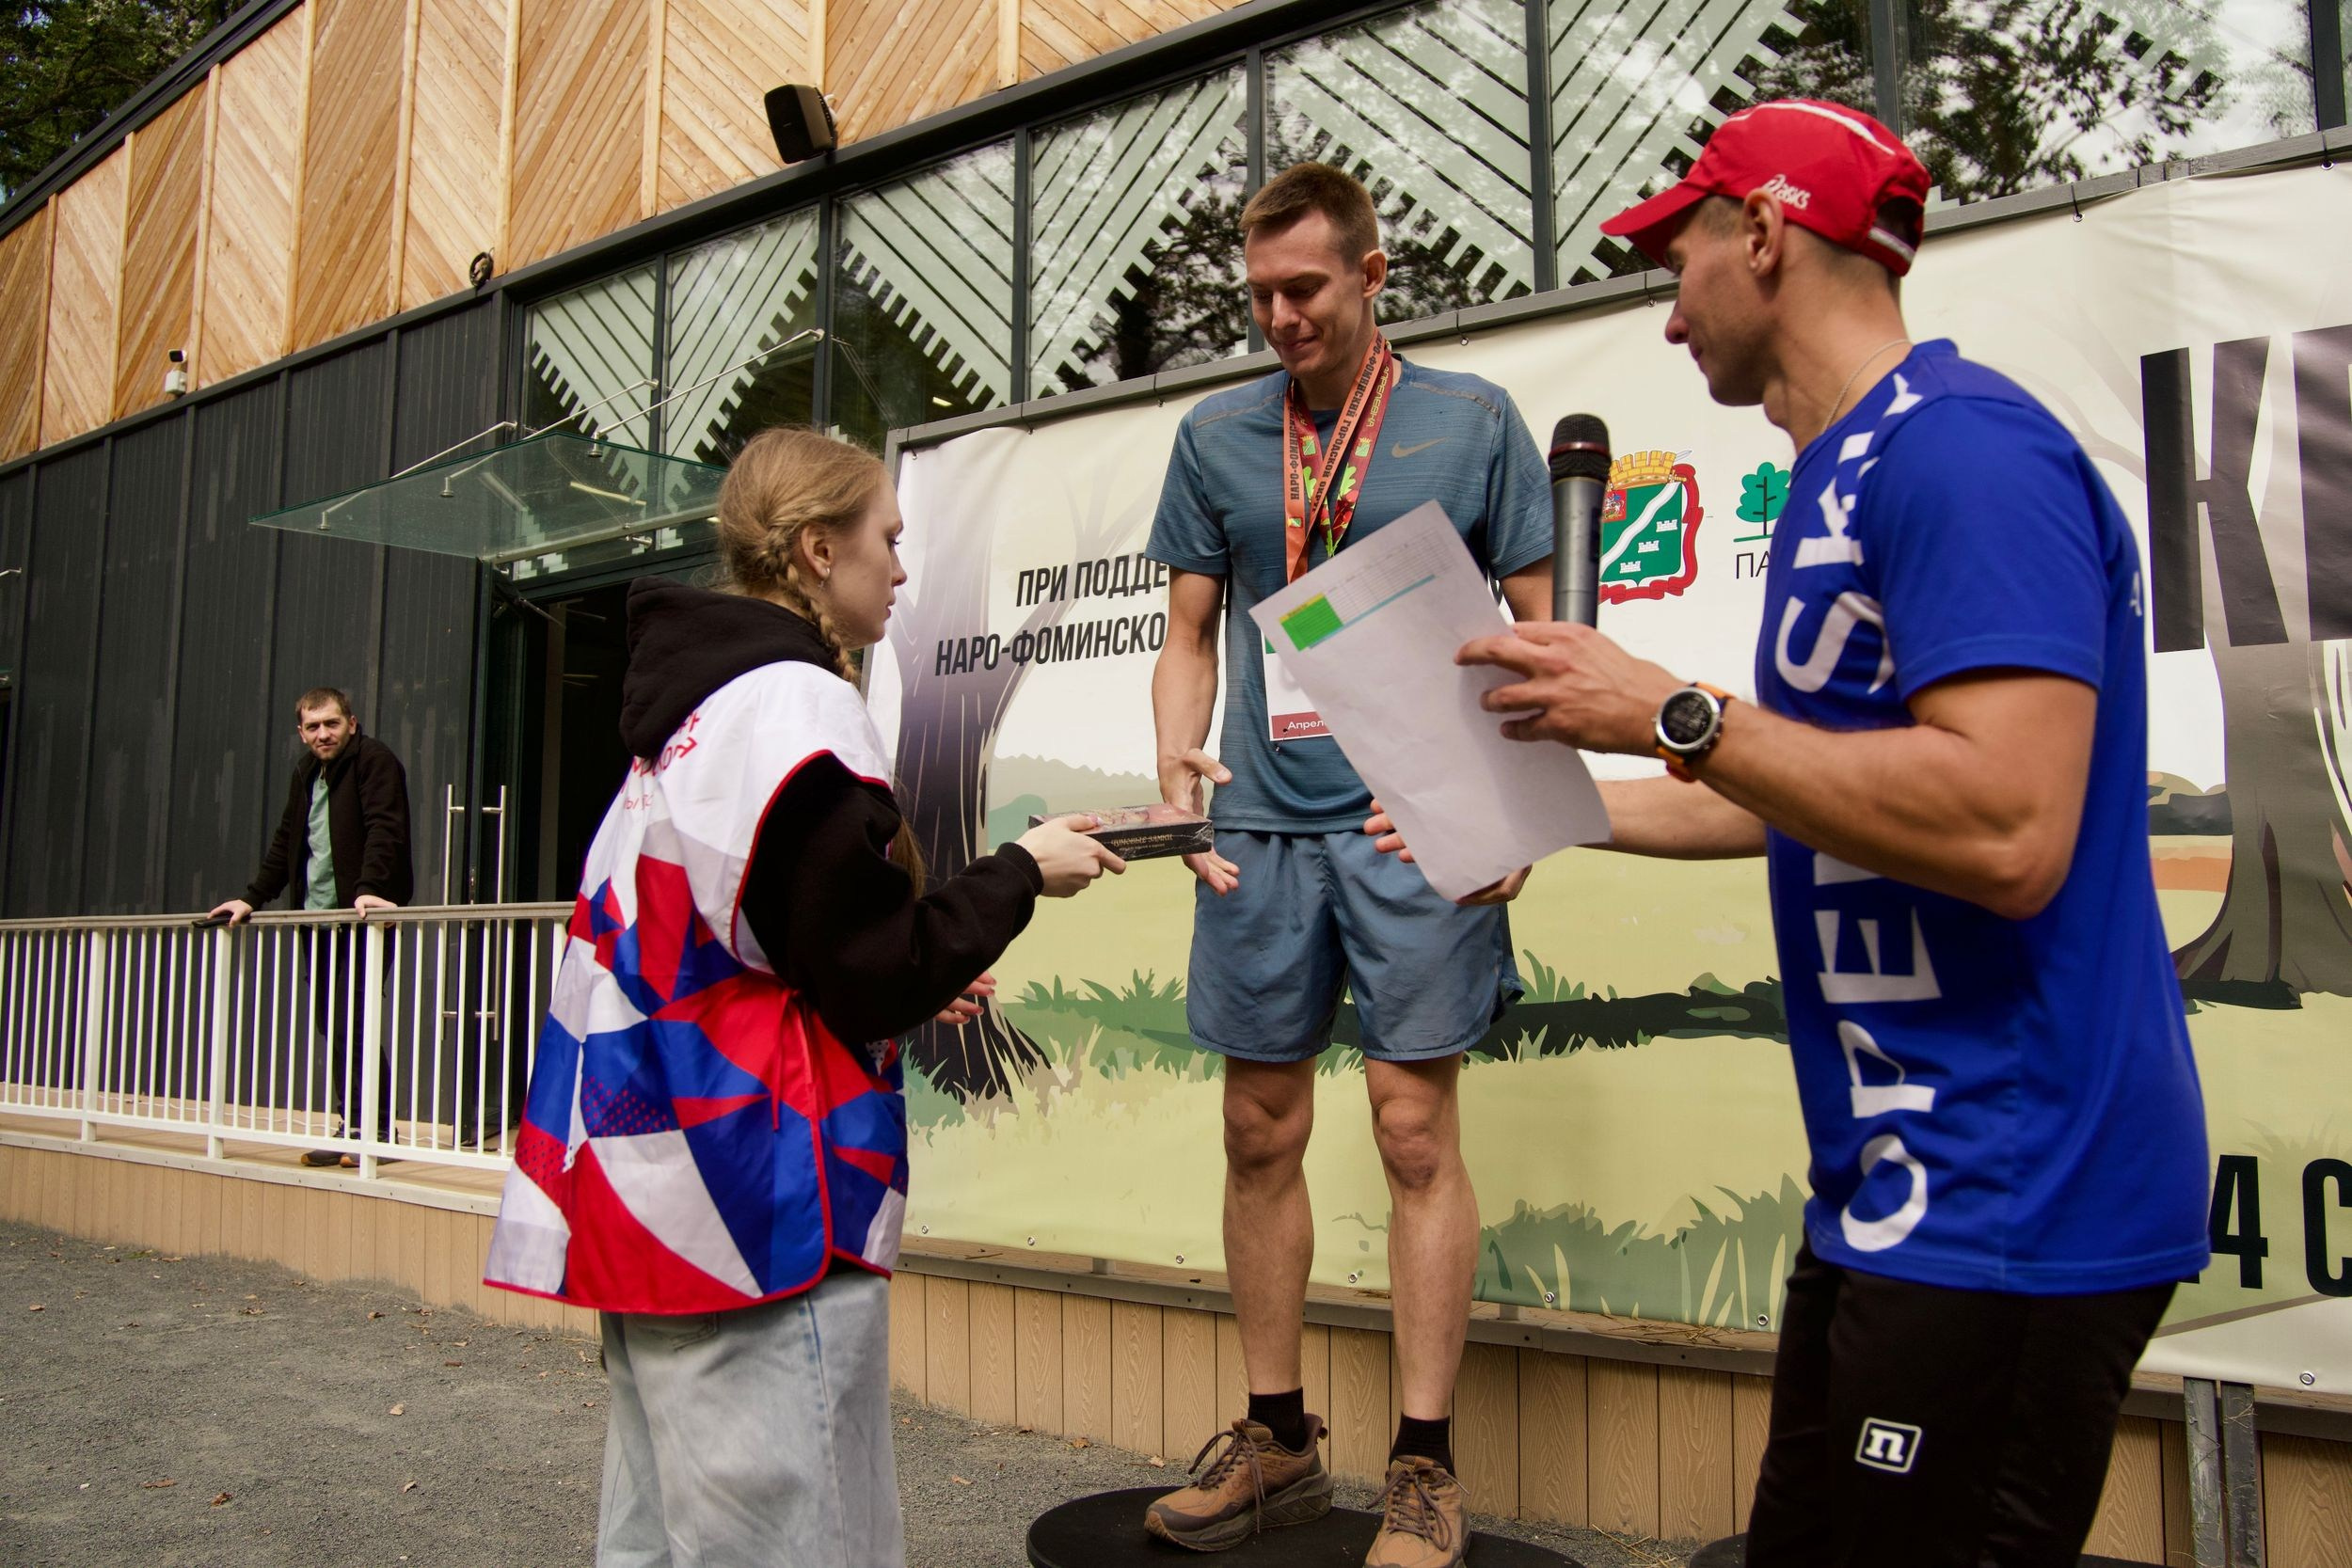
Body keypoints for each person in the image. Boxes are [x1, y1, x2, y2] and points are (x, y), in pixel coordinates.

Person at [1372, 100, 2209, 1566]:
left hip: (2013, 1195)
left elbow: (2012, 826)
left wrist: (1677, 712)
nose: (1668, 300)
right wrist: (1562, 823)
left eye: (1677, 250)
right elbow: (1819, 792)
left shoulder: (1962, 454)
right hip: (1890, 1189)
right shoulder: (1844, 468)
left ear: (1763, 233)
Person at [483, 427, 1122, 1568]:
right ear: (818, 551)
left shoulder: (692, 719)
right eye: (888, 537)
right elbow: (867, 966)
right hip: (753, 1204)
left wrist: (917, 962)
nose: (903, 567)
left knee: (656, 1536)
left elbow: (785, 947)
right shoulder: (793, 708)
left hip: (648, 1185)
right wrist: (1025, 868)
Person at [1143, 162, 1554, 1568]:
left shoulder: (1470, 424)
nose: (1279, 316)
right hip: (1261, 823)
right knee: (1257, 1127)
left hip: (1414, 822)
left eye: (1304, 289)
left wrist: (1505, 812)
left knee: (1413, 1131)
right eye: (1258, 294)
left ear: (1375, 278)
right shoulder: (1214, 436)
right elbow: (1194, 631)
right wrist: (1179, 773)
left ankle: (1424, 1465)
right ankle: (1277, 1440)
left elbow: (1541, 633)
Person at [211, 688, 412, 1168]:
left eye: (332, 723)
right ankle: (353, 1127)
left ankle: (377, 1132)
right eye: (314, 726)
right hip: (317, 919)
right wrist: (251, 897)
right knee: (334, 1023)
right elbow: (288, 842)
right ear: (301, 733)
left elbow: (386, 827)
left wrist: (369, 887)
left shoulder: (374, 762)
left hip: (363, 915)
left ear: (351, 723)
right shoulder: (306, 772)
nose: (323, 733)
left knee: (355, 1019)